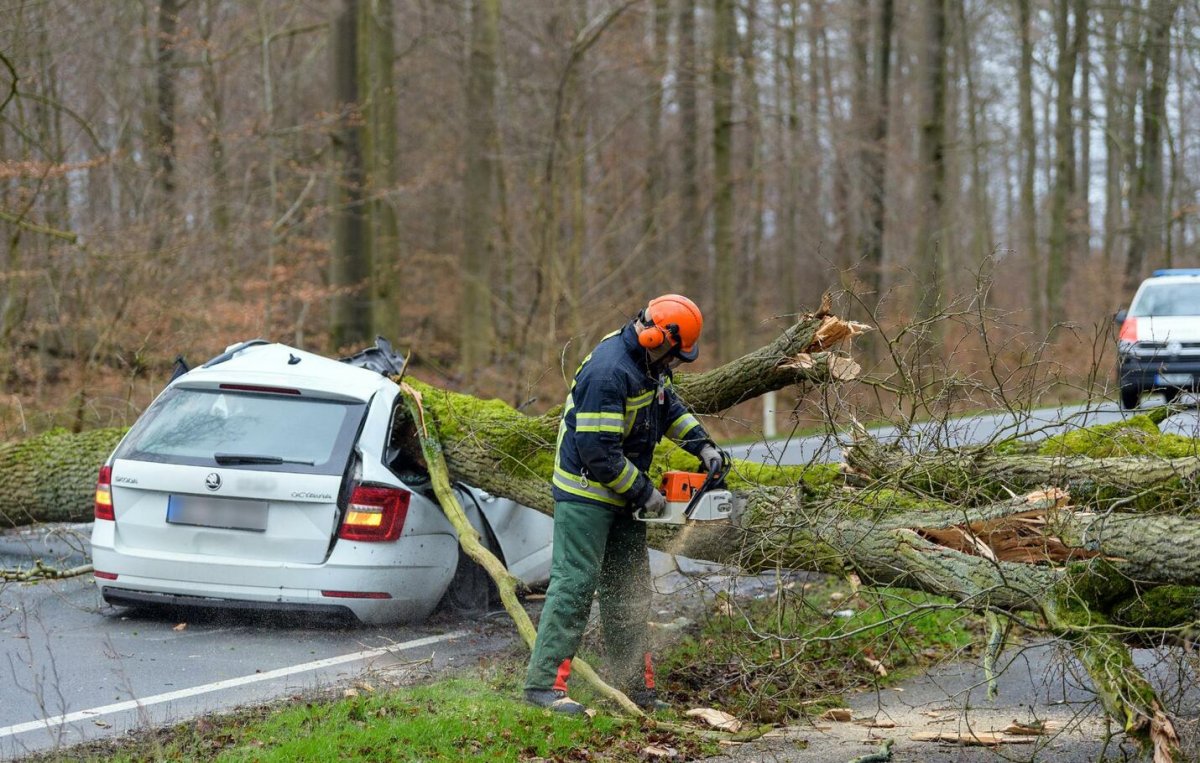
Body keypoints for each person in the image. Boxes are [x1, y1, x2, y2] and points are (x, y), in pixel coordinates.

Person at [523, 294, 727, 714]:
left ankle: (631, 686)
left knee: (629, 591)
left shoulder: (649, 366)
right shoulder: (609, 372)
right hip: (586, 494)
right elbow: (597, 451)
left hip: (624, 492)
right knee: (575, 586)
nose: (675, 363)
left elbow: (667, 407)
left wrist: (702, 445)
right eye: (675, 354)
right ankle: (543, 688)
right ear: (657, 338)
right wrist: (645, 493)